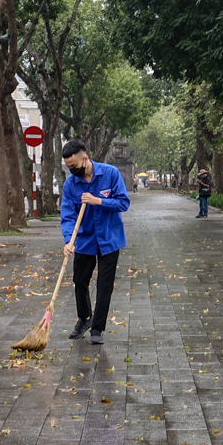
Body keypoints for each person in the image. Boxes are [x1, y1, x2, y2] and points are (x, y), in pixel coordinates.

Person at [61, 140, 131, 345]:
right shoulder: (71, 184)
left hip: (110, 239)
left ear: (85, 158)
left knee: (104, 285)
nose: (71, 170)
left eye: (74, 166)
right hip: (84, 239)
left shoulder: (110, 173)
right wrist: (69, 241)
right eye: (68, 167)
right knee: (80, 281)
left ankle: (98, 328)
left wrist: (98, 200)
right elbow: (67, 216)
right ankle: (84, 318)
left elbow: (123, 202)